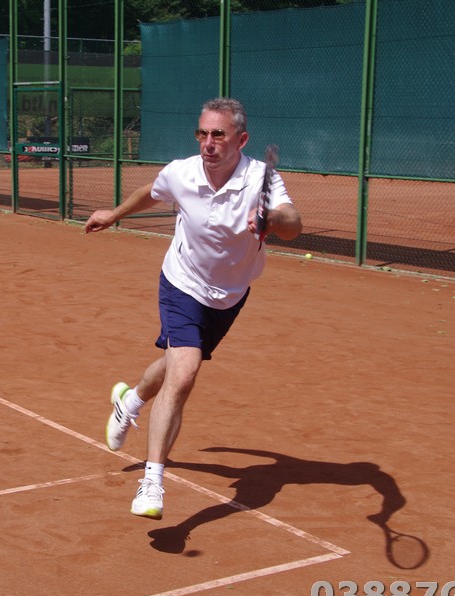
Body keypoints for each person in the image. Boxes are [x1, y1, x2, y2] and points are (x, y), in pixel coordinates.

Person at [83, 97, 302, 519]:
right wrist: (114, 214)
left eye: (218, 134)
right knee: (184, 373)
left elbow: (293, 222)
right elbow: (151, 192)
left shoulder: (261, 178)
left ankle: (130, 401)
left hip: (230, 294)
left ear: (241, 139)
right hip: (182, 281)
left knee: (175, 362)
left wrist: (273, 220)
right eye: (202, 133)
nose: (208, 142)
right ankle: (152, 482)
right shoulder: (181, 172)